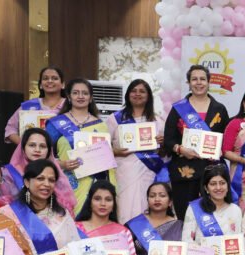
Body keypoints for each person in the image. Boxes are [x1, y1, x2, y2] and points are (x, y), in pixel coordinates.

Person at [164, 65, 230, 219]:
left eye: (202, 79)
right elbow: (168, 140)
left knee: (214, 216)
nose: (198, 83)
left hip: (212, 173)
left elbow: (226, 140)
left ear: (208, 82)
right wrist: (181, 149)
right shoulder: (179, 108)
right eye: (194, 79)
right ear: (188, 83)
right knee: (186, 216)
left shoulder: (219, 109)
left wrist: (220, 150)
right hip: (184, 172)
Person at [46, 78, 113, 210]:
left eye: (85, 93)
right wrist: (62, 164)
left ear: (91, 98)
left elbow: (106, 161)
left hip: (94, 185)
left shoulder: (101, 126)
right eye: (76, 93)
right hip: (65, 182)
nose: (80, 96)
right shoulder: (56, 124)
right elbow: (44, 157)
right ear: (69, 97)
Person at [106, 79, 166, 223]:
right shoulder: (114, 119)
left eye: (142, 91)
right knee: (124, 206)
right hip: (123, 172)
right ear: (128, 94)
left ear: (148, 96)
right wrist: (117, 152)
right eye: (134, 91)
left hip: (148, 173)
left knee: (145, 204)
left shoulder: (157, 121)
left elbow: (164, 153)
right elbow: (102, 148)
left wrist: (162, 144)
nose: (137, 94)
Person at [0, 127, 76, 215]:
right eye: (32, 145)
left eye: (42, 146)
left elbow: (67, 204)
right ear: (23, 147)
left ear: (49, 151)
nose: (37, 150)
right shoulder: (9, 173)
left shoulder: (56, 173)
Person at [5, 66, 66, 145]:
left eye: (54, 78)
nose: (50, 81)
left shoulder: (70, 105)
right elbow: (10, 129)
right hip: (33, 152)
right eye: (45, 78)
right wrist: (25, 145)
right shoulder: (29, 106)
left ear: (63, 84)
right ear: (40, 85)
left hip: (63, 152)